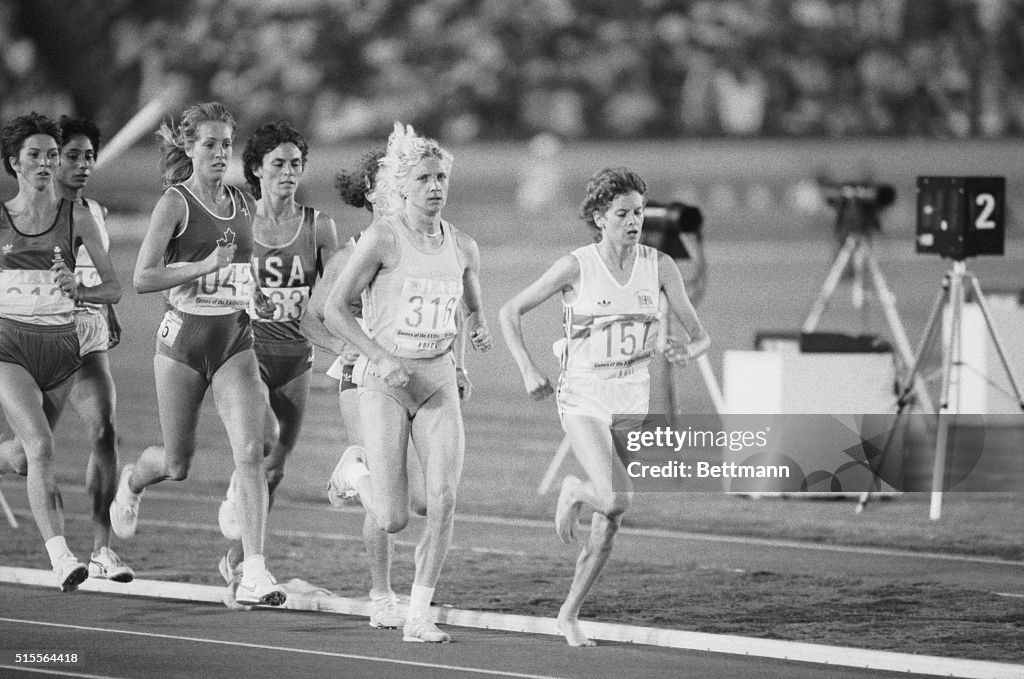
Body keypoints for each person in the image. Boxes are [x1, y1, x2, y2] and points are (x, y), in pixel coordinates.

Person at [498, 167, 710, 647]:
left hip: (631, 396)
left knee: (610, 523)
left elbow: (700, 337)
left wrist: (685, 351)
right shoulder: (576, 266)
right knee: (617, 497)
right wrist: (529, 370)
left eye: (638, 212)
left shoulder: (660, 266)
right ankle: (573, 488)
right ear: (599, 217)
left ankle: (569, 613)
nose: (633, 221)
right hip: (584, 396)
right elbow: (509, 312)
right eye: (622, 214)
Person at [108, 101, 286, 607]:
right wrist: (202, 264)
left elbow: (247, 269)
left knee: (253, 451)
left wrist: (259, 293)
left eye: (226, 144)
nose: (219, 153)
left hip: (234, 339)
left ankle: (253, 572)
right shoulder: (175, 204)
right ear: (189, 148)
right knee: (178, 463)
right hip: (182, 342)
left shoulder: (244, 203)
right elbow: (142, 278)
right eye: (209, 144)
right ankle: (133, 480)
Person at [324, 123, 492, 642]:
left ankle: (419, 614)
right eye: (424, 178)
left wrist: (470, 343)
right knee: (394, 517)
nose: (436, 186)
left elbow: (468, 305)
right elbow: (333, 309)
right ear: (404, 186)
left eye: (442, 177)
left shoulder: (462, 245)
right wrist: (378, 356)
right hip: (387, 380)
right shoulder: (382, 238)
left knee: (442, 499)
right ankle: (354, 475)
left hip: (437, 377)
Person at [213, 120, 339, 605]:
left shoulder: (318, 226)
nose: (289, 173)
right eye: (279, 165)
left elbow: (333, 296)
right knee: (259, 442)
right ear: (257, 170)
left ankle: (242, 563)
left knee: (275, 468)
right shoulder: (238, 220)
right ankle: (246, 549)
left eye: (296, 164)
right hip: (244, 351)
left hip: (296, 355)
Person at [0, 112, 122, 591]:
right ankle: (61, 555)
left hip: (62, 349)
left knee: (27, 457)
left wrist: (80, 290)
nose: (47, 163)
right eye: (36, 155)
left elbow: (112, 288)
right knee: (42, 446)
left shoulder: (78, 218)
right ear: (15, 163)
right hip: (9, 347)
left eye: (52, 154)